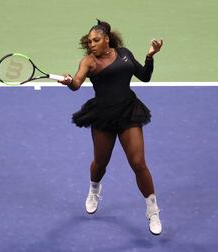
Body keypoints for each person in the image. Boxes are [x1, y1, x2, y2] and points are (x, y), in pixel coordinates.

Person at [59, 19, 164, 235]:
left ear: (106, 39)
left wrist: (150, 56)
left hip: (128, 112)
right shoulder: (88, 62)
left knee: (138, 163)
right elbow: (77, 83)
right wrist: (69, 81)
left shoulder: (124, 53)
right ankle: (94, 189)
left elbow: (144, 77)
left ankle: (152, 211)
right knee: (100, 163)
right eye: (89, 42)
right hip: (103, 116)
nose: (92, 45)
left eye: (96, 40)